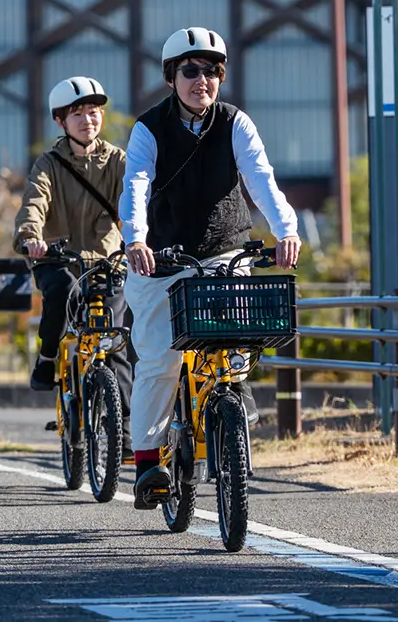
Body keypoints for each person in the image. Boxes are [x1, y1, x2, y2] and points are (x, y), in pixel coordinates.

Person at [118, 27, 301, 509]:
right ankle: (148, 463)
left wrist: (286, 230)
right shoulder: (148, 128)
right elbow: (136, 184)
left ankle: (231, 400)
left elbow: (261, 179)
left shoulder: (236, 123)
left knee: (234, 343)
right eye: (191, 70)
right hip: (161, 258)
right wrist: (135, 239)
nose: (203, 79)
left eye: (212, 70)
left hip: (223, 249)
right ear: (171, 78)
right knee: (160, 359)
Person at [13, 78, 132, 449]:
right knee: (63, 291)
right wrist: (31, 236)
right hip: (56, 255)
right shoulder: (49, 164)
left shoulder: (118, 161)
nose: (87, 120)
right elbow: (35, 202)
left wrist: (144, 238)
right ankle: (48, 356)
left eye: (93, 112)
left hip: (106, 260)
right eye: (77, 114)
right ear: (61, 122)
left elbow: (133, 204)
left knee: (115, 338)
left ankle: (125, 427)